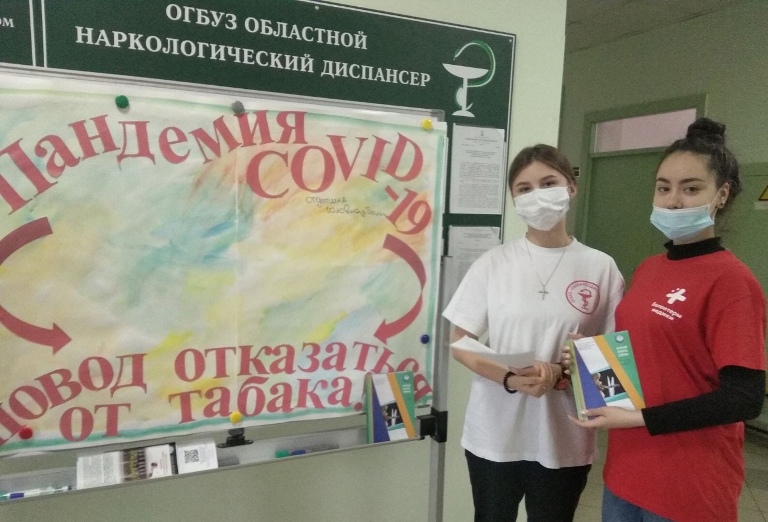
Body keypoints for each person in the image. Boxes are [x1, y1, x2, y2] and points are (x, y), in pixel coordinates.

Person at [569, 118, 767, 522]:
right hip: (626, 472)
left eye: (691, 188)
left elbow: (744, 397)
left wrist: (639, 419)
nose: (673, 201)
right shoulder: (649, 269)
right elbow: (649, 357)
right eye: (664, 188)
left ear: (721, 194)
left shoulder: (732, 281)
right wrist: (590, 360)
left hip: (688, 484)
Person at [443, 144, 624, 521]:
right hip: (495, 434)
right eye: (524, 189)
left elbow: (612, 362)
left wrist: (563, 371)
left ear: (571, 187)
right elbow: (460, 342)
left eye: (548, 183)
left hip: (563, 436)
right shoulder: (493, 263)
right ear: (514, 200)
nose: (537, 195)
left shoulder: (600, 267)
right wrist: (509, 378)